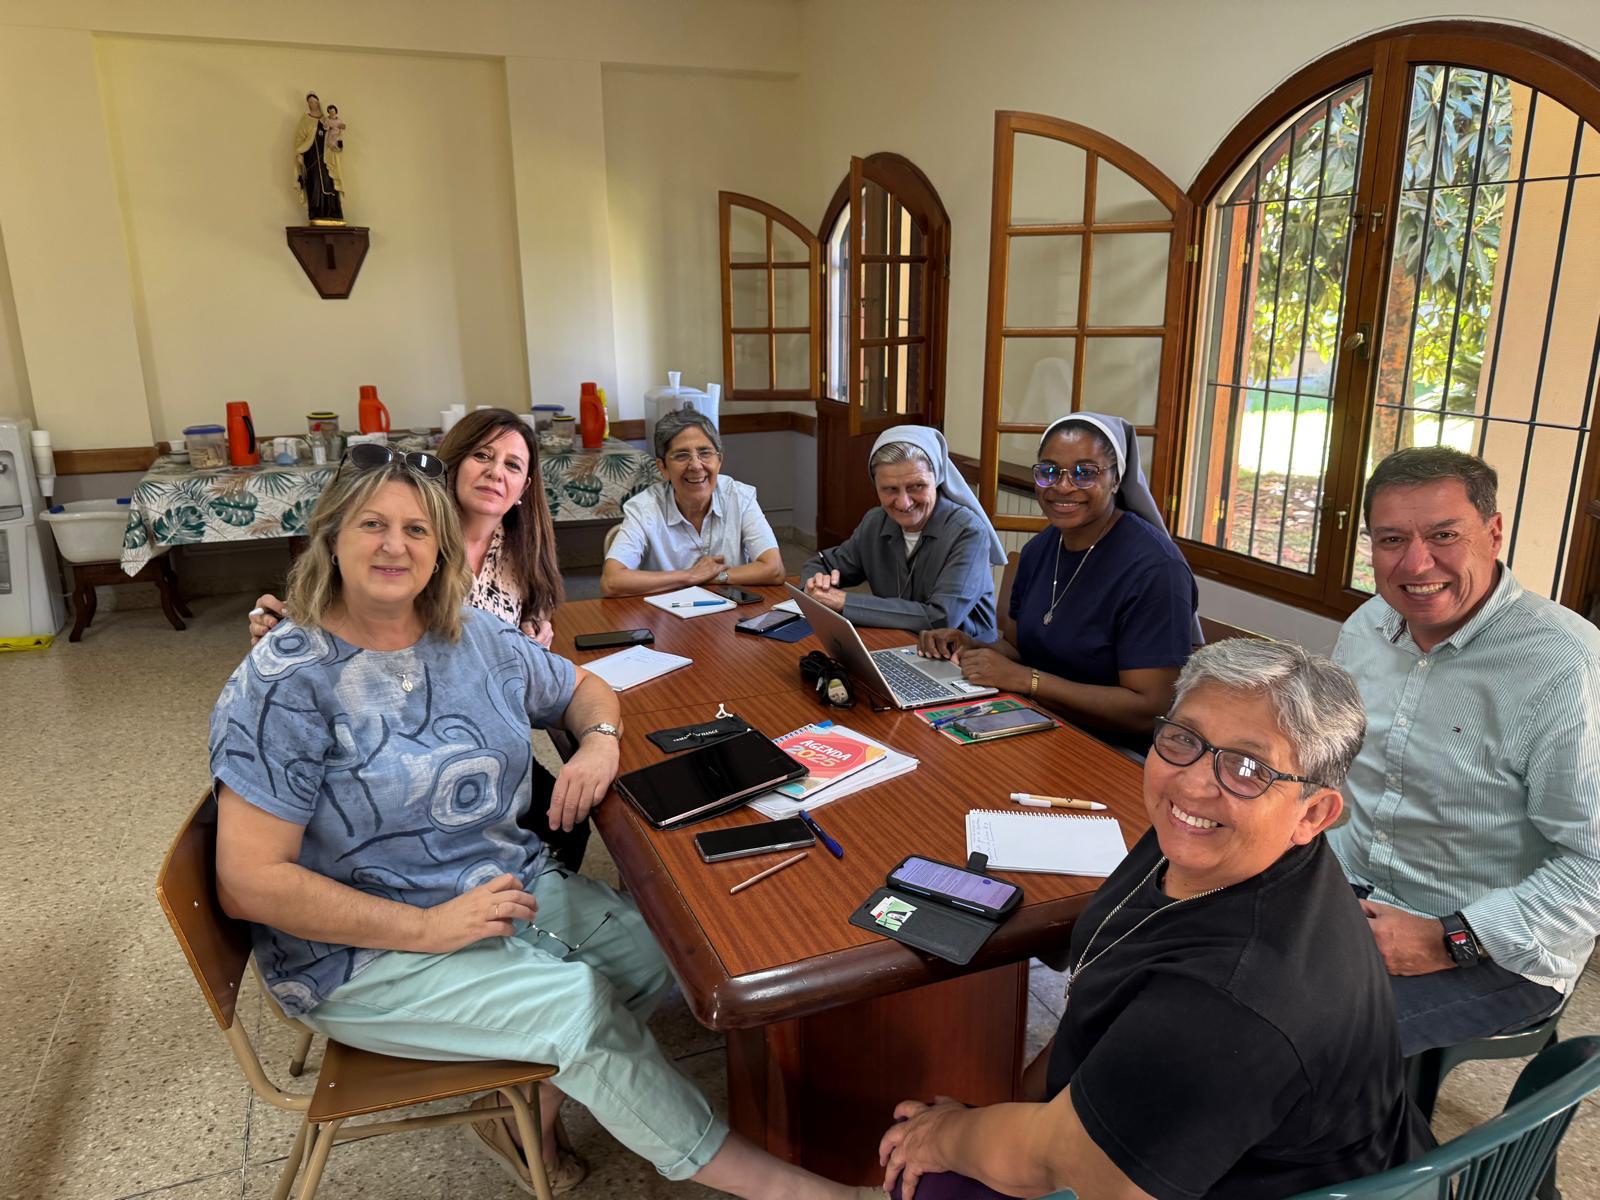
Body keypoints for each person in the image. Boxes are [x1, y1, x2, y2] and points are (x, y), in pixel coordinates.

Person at [212, 454, 874, 1200]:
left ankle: (522, 1116)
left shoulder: (467, 635)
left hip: (495, 885)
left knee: (660, 951)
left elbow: (584, 687)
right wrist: (426, 928)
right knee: (578, 1009)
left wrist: (599, 742)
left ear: (441, 548)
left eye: (417, 529)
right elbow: (249, 881)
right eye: (373, 525)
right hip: (363, 950)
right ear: (332, 538)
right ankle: (801, 1193)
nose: (395, 545)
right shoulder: (286, 681)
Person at [871, 640, 1433, 1200]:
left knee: (926, 1173)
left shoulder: (1232, 1000)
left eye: (1248, 768)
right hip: (1194, 1137)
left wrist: (943, 1137)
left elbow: (1072, 1168)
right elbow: (1089, 1015)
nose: (1192, 784)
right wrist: (1001, 1112)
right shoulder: (1208, 846)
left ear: (1314, 813)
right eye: (1184, 738)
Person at [1329, 445, 1600, 1057]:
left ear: (1494, 532)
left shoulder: (1567, 665)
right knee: (1183, 962)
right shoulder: (1368, 626)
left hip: (1491, 944)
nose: (1416, 562)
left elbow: (1593, 865)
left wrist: (1450, 938)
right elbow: (1334, 763)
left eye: (1444, 535)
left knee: (1304, 1044)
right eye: (1392, 540)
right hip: (1351, 889)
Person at [249, 409, 583, 865]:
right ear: (453, 463)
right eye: (482, 456)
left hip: (484, 727)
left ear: (525, 487)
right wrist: (280, 628)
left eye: (512, 464)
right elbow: (331, 610)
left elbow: (533, 626)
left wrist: (534, 633)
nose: (495, 472)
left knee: (568, 817)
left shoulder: (523, 549)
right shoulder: (407, 546)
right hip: (396, 730)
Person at [917, 412, 1198, 754]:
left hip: (1109, 751)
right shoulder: (1040, 549)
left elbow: (1148, 710)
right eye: (1049, 471)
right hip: (1034, 723)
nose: (1063, 486)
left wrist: (1028, 681)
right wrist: (971, 645)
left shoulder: (1156, 570)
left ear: (1115, 480)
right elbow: (1019, 649)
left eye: (1085, 473)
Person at [799, 426, 1004, 640]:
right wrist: (816, 585)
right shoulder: (876, 521)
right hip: (896, 642)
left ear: (937, 480)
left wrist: (844, 602)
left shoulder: (968, 532)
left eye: (917, 486)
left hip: (962, 653)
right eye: (890, 489)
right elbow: (822, 564)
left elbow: (941, 618)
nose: (904, 503)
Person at [601, 407, 785, 597]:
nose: (696, 466)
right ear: (663, 468)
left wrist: (715, 577)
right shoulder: (644, 508)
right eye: (682, 455)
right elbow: (612, 581)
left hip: (733, 611)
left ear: (719, 461)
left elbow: (774, 569)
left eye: (705, 453)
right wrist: (688, 576)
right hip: (664, 612)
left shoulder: (739, 497)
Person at [292, 92, 341, 223]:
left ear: (318, 103)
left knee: (329, 182)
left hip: (325, 157)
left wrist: (336, 142)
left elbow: (334, 134)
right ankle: (316, 212)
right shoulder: (305, 120)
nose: (312, 104)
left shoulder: (326, 120)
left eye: (314, 101)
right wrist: (299, 154)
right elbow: (299, 140)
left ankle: (332, 212)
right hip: (311, 157)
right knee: (314, 183)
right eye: (309, 102)